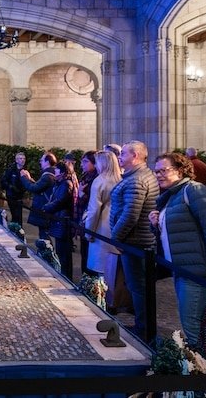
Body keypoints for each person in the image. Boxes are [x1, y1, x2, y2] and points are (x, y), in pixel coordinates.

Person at [148, 152, 206, 347]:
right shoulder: (171, 195)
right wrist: (156, 224)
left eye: (163, 170)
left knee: (194, 328)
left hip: (196, 272)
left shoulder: (194, 191)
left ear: (180, 170)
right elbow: (178, 231)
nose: (159, 175)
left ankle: (203, 373)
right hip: (182, 269)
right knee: (193, 325)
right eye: (156, 171)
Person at [109, 140, 160, 340]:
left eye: (123, 154)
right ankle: (143, 325)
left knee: (138, 287)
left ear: (135, 156)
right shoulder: (136, 176)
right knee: (138, 287)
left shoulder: (137, 180)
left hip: (135, 241)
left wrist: (116, 238)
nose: (120, 158)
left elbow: (131, 214)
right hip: (135, 240)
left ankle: (144, 329)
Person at [84, 151, 125, 310]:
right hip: (117, 227)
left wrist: (89, 232)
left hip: (101, 228)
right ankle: (113, 301)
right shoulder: (120, 180)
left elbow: (94, 210)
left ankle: (102, 302)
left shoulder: (99, 180)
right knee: (113, 269)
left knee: (100, 269)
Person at [43, 161, 76, 271]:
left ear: (62, 172)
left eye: (56, 170)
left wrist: (47, 207)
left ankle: (66, 275)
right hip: (59, 220)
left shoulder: (66, 184)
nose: (54, 171)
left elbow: (60, 201)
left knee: (64, 253)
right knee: (60, 250)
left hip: (62, 221)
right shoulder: (60, 183)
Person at [20, 152, 58, 241]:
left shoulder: (47, 176)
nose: (40, 162)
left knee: (44, 234)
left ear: (47, 162)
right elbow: (39, 187)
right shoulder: (51, 174)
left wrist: (23, 178)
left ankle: (47, 252)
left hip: (43, 208)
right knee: (43, 233)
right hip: (46, 207)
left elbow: (33, 188)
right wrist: (29, 178)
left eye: (42, 160)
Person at [76, 151, 98, 274]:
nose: (82, 164)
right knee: (83, 253)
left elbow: (93, 202)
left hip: (90, 220)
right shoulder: (85, 177)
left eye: (85, 162)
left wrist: (82, 194)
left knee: (89, 254)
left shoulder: (96, 179)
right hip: (82, 218)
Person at [1, 152, 27, 224]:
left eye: (24, 159)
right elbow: (4, 180)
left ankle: (18, 230)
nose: (23, 160)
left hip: (20, 196)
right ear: (16, 160)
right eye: (20, 158)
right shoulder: (11, 170)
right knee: (14, 214)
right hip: (11, 195)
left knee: (19, 215)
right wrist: (10, 187)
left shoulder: (25, 171)